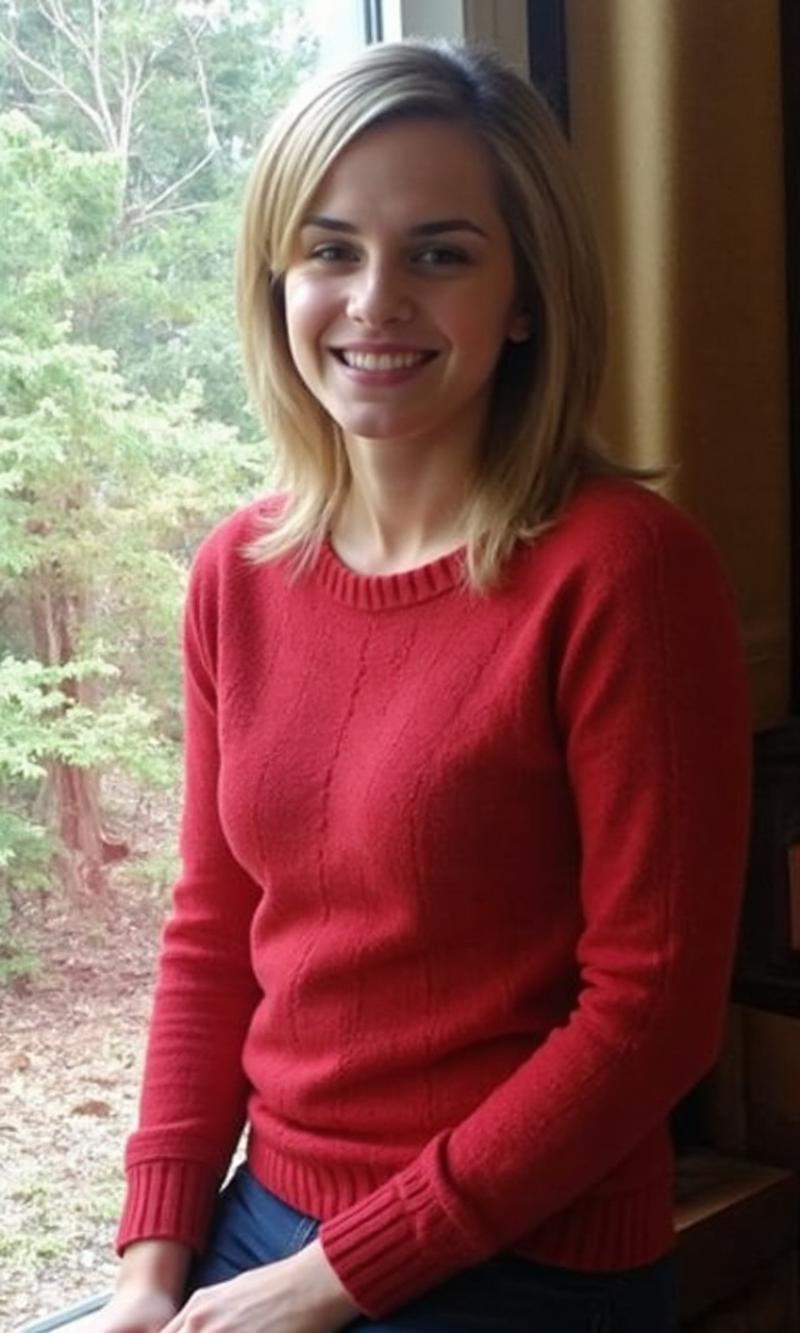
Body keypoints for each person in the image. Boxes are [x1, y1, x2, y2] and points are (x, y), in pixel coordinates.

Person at [91, 38, 751, 1333]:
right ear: (279, 280)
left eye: (440, 253)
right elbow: (214, 931)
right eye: (331, 251)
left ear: (525, 297)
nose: (374, 299)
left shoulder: (626, 571)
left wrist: (338, 1277)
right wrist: (151, 1263)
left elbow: (651, 1018)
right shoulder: (238, 570)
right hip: (266, 1219)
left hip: (528, 1258)